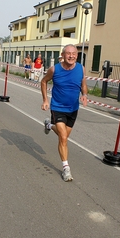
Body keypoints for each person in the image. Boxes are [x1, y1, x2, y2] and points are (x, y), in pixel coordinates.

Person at [41, 44, 88, 182]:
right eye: (68, 53)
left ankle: (49, 126)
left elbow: (83, 84)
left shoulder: (81, 68)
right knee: (63, 137)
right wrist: (45, 100)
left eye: (74, 53)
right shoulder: (54, 69)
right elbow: (44, 82)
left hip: (73, 109)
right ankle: (66, 168)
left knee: (65, 136)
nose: (71, 56)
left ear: (77, 55)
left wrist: (84, 93)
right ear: (63, 55)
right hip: (57, 107)